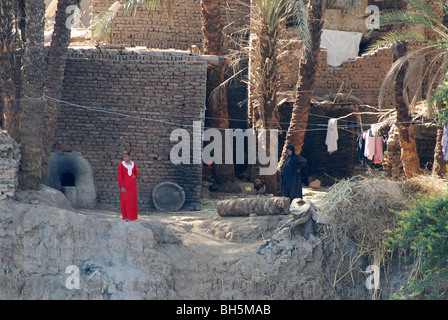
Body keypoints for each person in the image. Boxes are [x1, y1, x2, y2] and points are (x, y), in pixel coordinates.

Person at [117, 151, 139, 221]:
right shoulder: (121, 164)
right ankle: (126, 217)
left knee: (132, 201)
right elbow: (119, 177)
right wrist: (122, 186)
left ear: (129, 156)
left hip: (132, 185)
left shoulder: (133, 164)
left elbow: (136, 172)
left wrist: (135, 176)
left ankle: (131, 217)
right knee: (124, 200)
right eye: (124, 157)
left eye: (126, 157)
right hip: (125, 186)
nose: (125, 158)